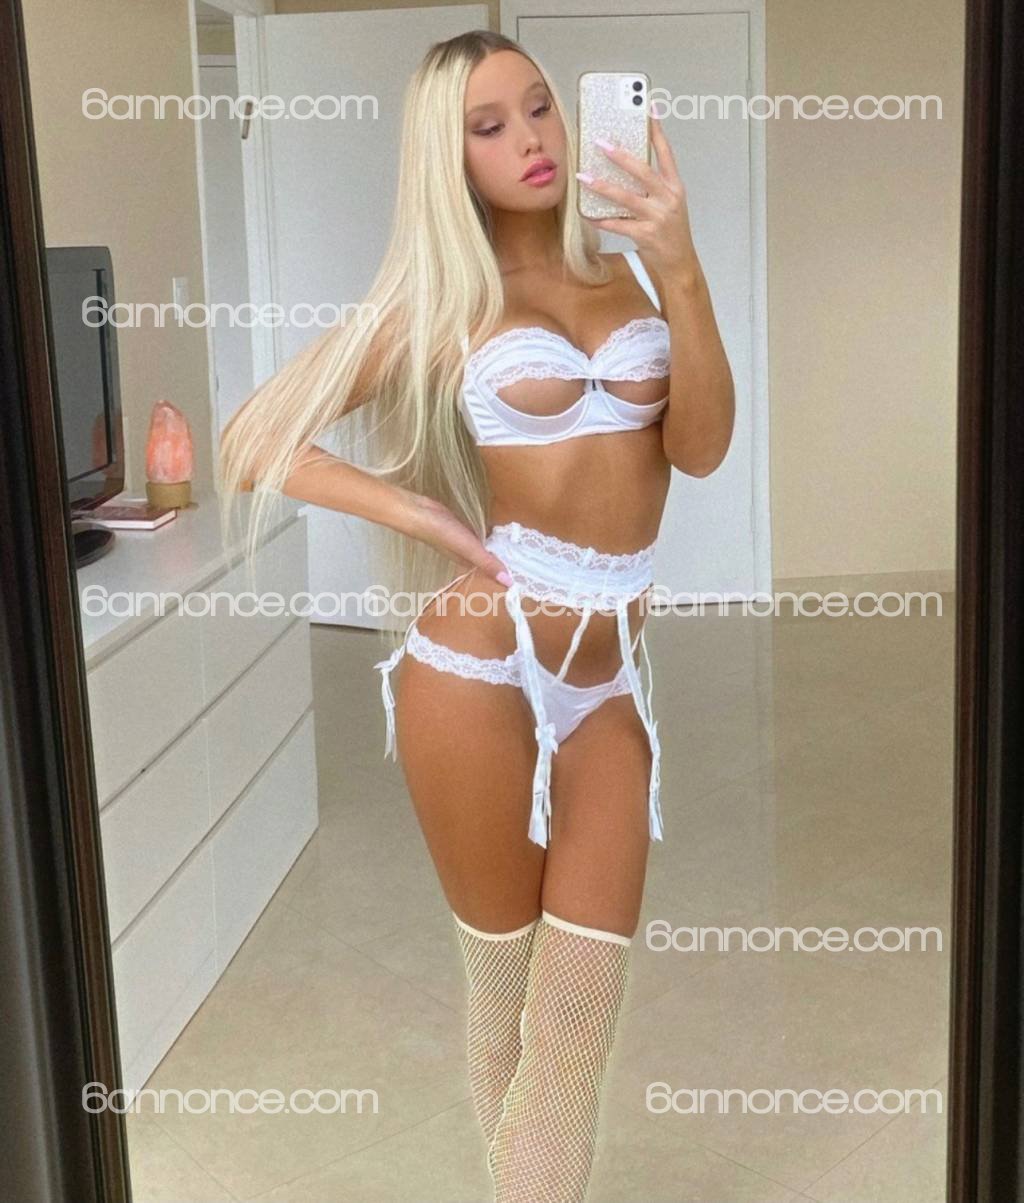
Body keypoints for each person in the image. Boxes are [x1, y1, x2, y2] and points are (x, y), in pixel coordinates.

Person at [218, 28, 733, 1202]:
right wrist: (420, 514)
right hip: (475, 669)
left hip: (608, 682)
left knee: (577, 1025)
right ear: (448, 160)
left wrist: (682, 265)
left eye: (539, 107)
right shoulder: (443, 303)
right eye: (488, 127)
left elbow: (699, 449)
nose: (530, 141)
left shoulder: (633, 277)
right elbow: (253, 438)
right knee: (506, 997)